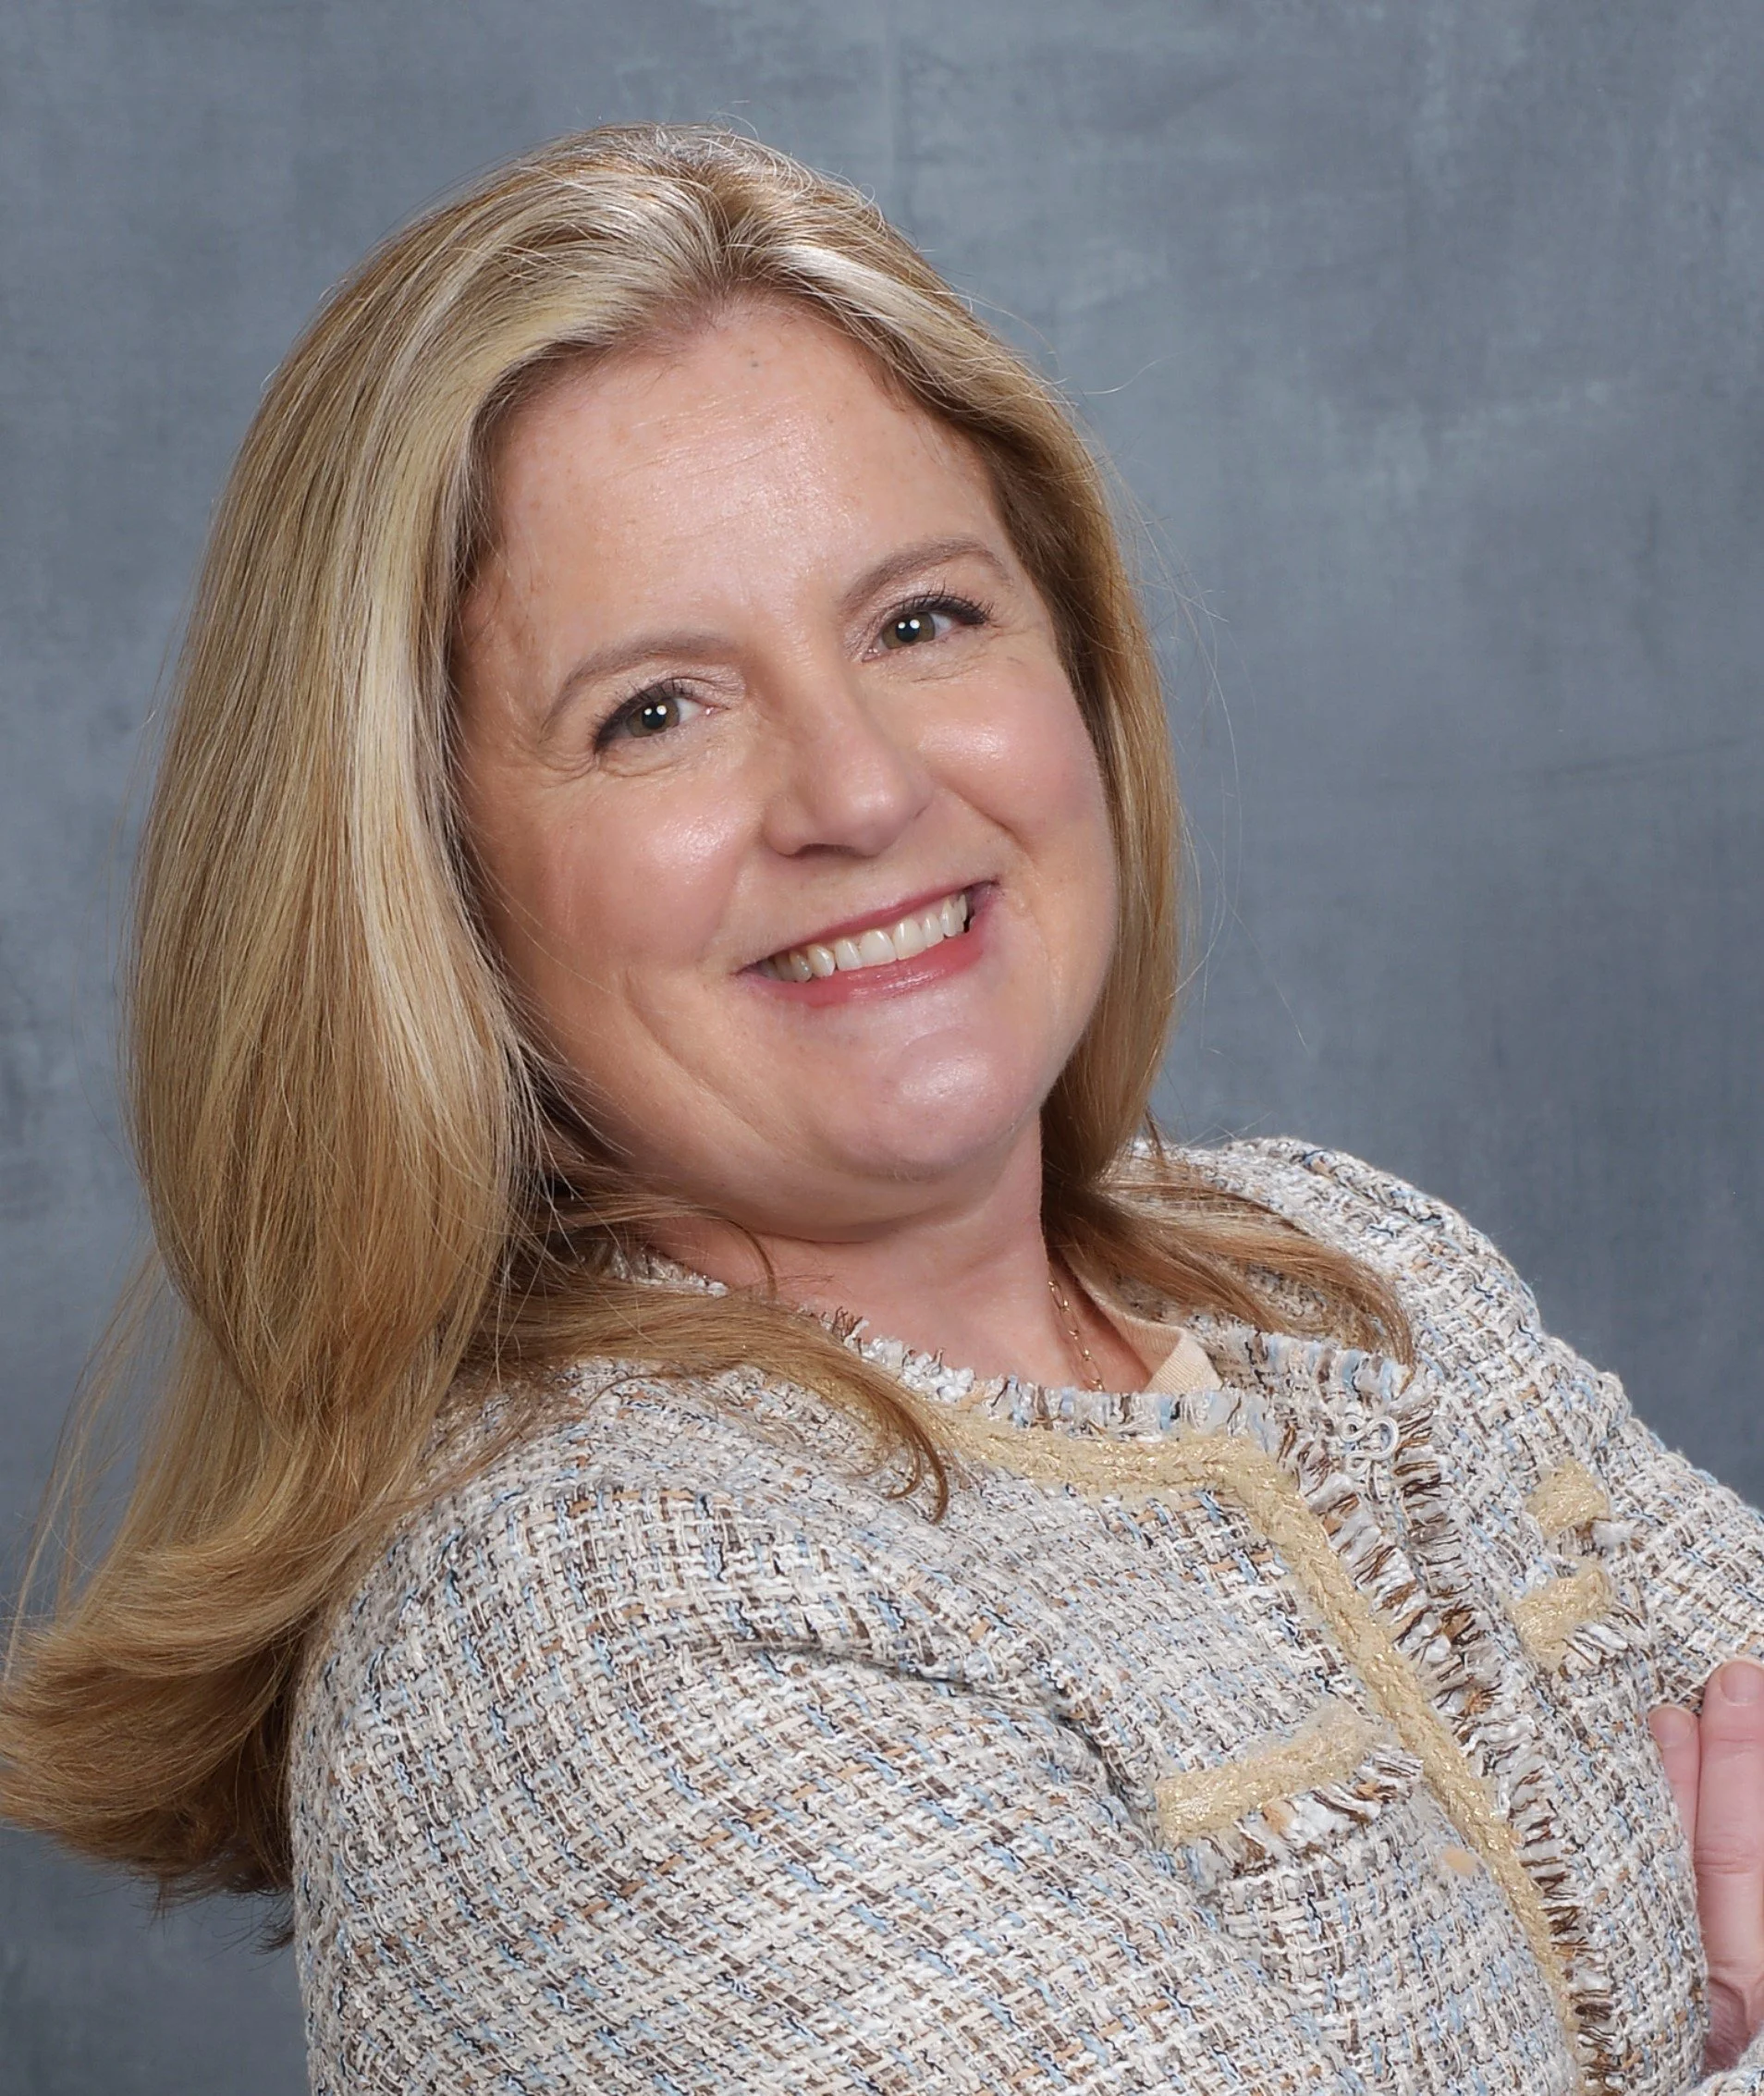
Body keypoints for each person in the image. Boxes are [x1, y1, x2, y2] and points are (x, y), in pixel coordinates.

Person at [2, 123, 1763, 2093]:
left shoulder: (1350, 1273)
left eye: (921, 618)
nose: (855, 789)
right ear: (424, 875)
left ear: (1078, 657)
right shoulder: (599, 1630)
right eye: (654, 709)